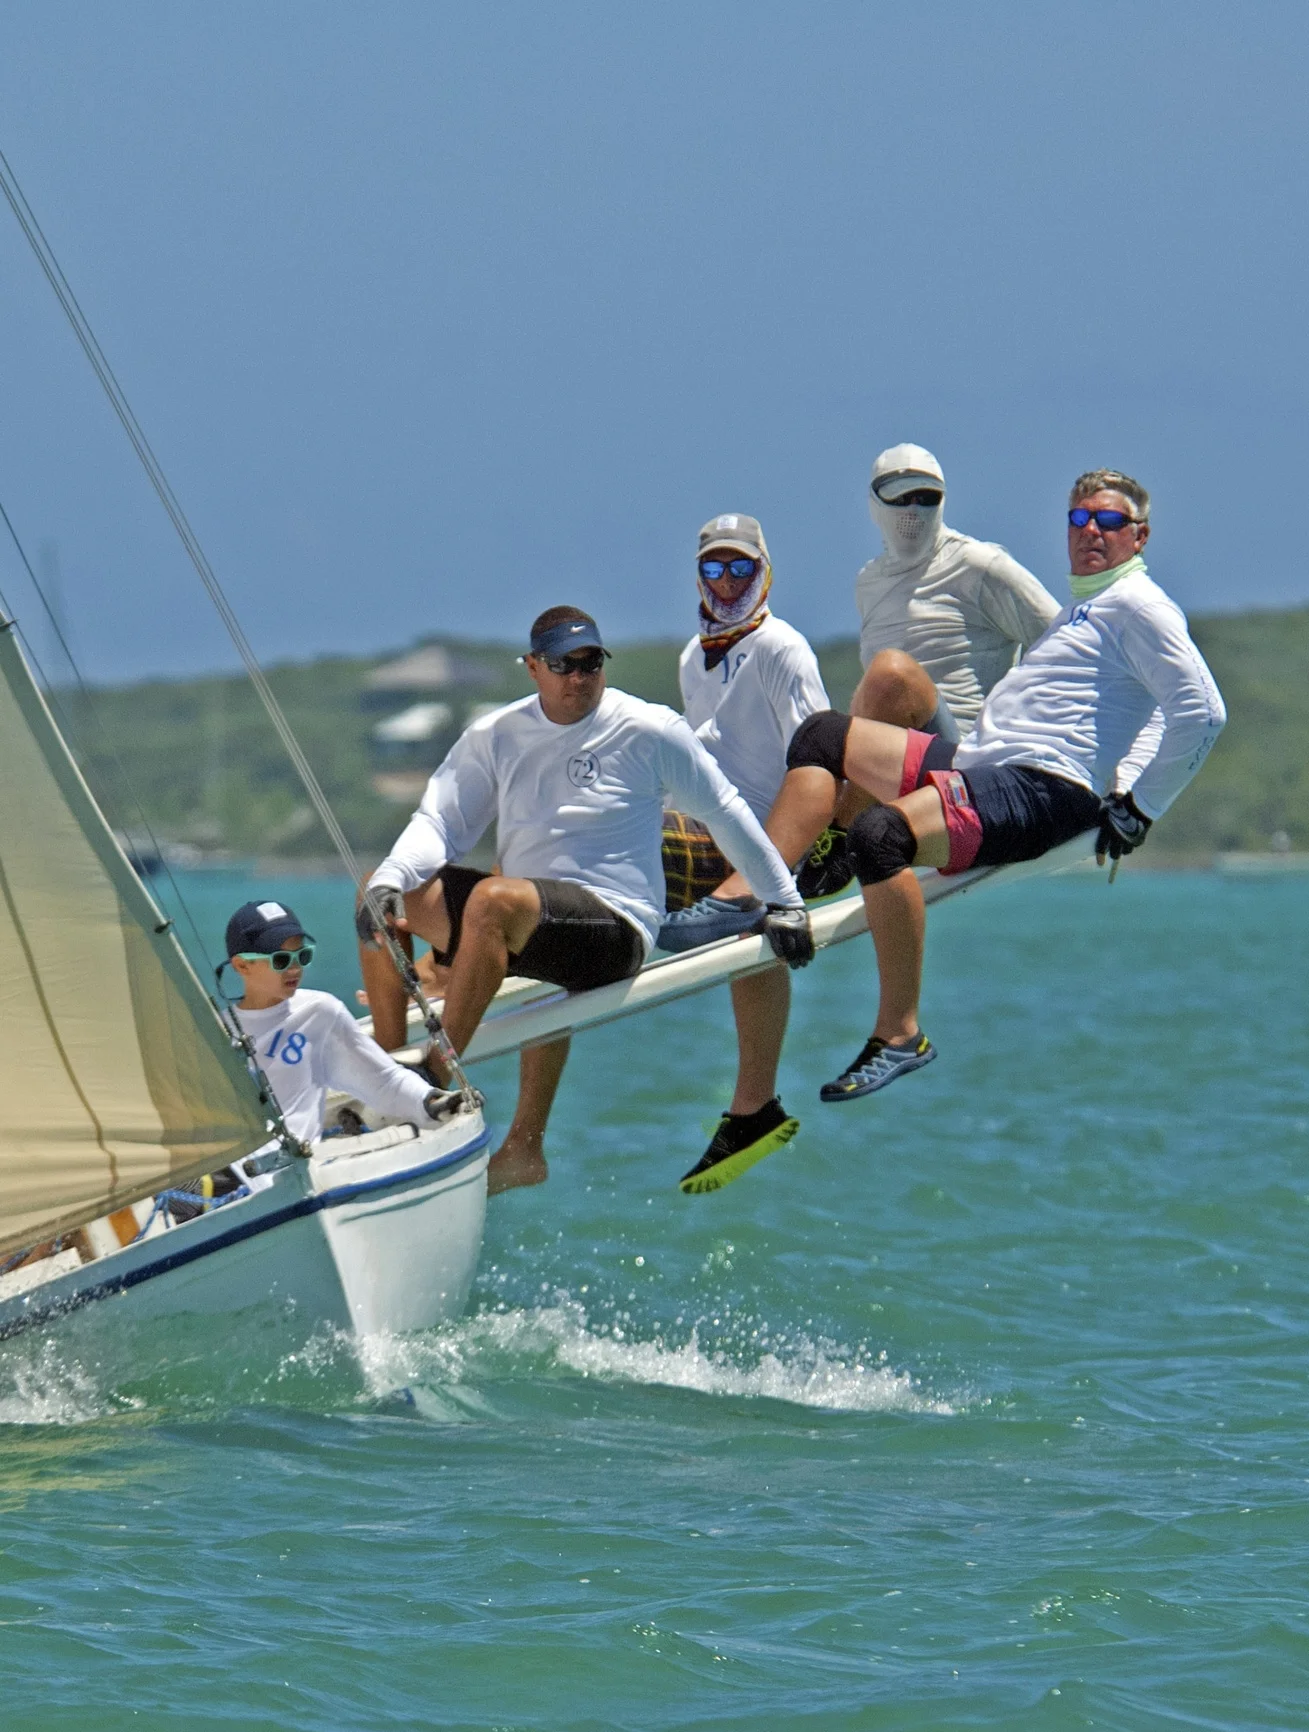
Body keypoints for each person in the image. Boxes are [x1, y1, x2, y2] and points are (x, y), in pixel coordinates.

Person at [769, 469, 1226, 1100]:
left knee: (881, 835)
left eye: (1111, 521)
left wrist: (1139, 806)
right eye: (1080, 519)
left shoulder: (1139, 605)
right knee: (825, 736)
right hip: (984, 766)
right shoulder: (1084, 612)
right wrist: (1128, 782)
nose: (1092, 530)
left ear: (1139, 536)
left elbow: (1200, 710)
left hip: (1041, 788)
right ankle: (781, 887)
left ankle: (899, 1033)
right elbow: (1149, 709)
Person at [357, 606, 811, 1195]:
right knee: (379, 890)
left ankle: (434, 1078)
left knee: (495, 901)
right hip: (526, 917)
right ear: (532, 668)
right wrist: (395, 874)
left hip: (616, 926)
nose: (578, 676)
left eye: (590, 662)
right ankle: (388, 1078)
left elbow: (725, 811)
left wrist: (785, 902)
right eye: (562, 664)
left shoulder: (648, 728)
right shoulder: (497, 736)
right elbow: (439, 821)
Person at [654, 514, 830, 1193]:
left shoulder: (782, 649)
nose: (727, 583)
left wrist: (777, 871)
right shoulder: (689, 657)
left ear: (765, 574)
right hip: (712, 833)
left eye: (741, 569)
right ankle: (753, 1107)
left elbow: (819, 758)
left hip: (757, 839)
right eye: (713, 569)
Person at [799, 443, 1060, 899]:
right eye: (900, 498)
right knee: (812, 732)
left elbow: (1069, 650)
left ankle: (838, 838)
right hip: (901, 767)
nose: (913, 510)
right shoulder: (869, 582)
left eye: (926, 497)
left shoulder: (981, 565)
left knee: (891, 674)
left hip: (967, 760)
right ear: (874, 505)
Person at [223, 899, 455, 1146]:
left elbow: (383, 1080)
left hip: (295, 1170)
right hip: (231, 1172)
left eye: (302, 956)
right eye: (281, 960)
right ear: (242, 966)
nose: (294, 968)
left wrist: (430, 1101)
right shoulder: (215, 1031)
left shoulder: (320, 1012)